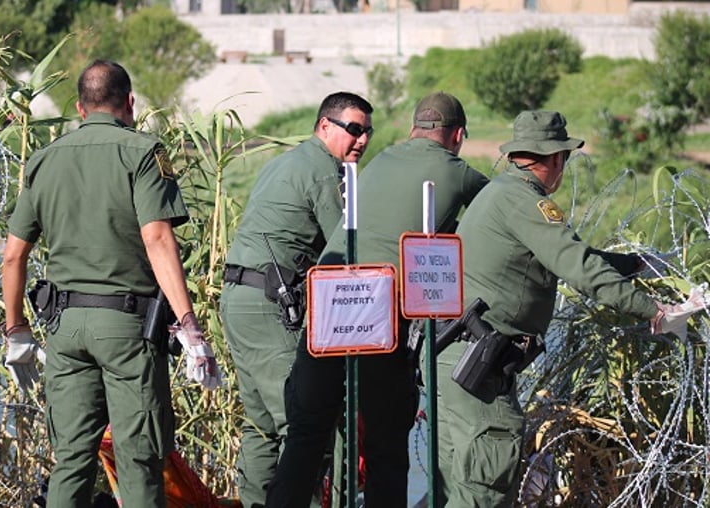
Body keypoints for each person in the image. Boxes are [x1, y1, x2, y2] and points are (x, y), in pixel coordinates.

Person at [1, 60, 217, 508]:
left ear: (80, 107)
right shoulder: (141, 151)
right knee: (139, 460)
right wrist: (189, 325)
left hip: (64, 328)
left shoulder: (44, 159)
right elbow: (157, 238)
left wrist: (16, 329)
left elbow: (13, 255)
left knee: (71, 461)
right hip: (126, 328)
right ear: (130, 102)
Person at [437, 110, 673, 506]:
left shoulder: (501, 192)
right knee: (486, 488)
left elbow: (574, 254)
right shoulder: (527, 203)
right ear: (556, 159)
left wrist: (635, 264)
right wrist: (655, 311)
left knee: (459, 488)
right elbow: (580, 269)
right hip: (478, 370)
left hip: (457, 360)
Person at [266, 91, 488, 508]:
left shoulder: (382, 160)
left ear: (412, 130)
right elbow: (497, 215)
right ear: (457, 135)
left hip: (329, 303)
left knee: (307, 436)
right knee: (387, 441)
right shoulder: (457, 172)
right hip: (376, 313)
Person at [220, 92, 374, 508]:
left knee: (260, 425)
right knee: (301, 422)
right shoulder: (326, 172)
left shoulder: (288, 162)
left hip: (240, 297)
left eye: (368, 132)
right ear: (325, 126)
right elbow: (345, 247)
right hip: (269, 301)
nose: (362, 140)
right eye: (354, 130)